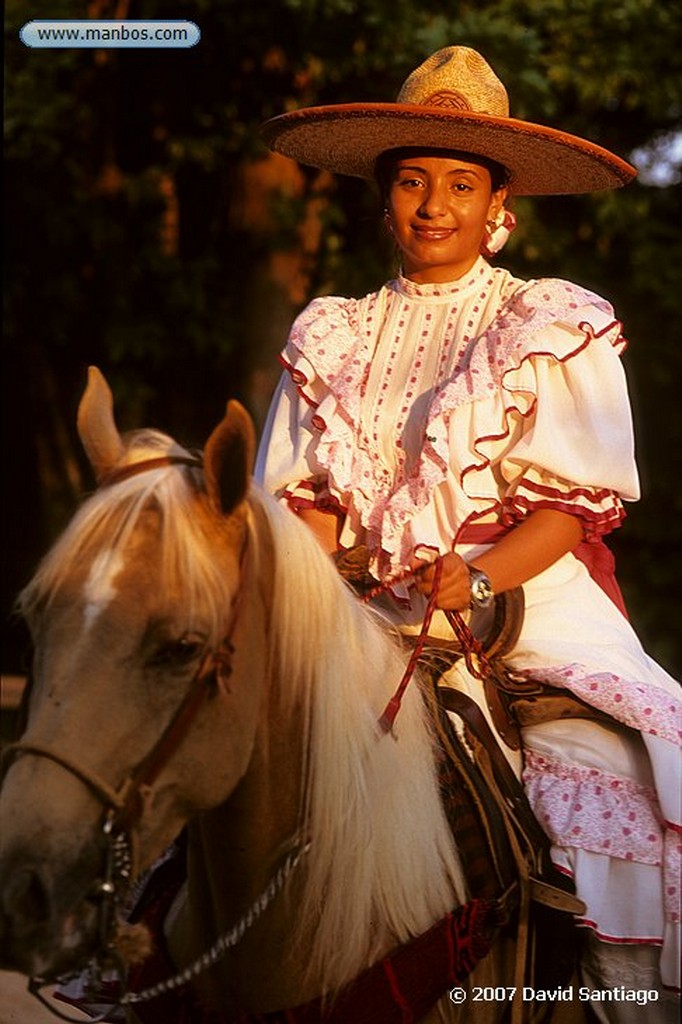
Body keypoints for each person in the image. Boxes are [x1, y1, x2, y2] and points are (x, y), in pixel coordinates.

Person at [255, 46, 681, 1020]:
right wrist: (335, 567)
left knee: (618, 783)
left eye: (458, 182)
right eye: (411, 180)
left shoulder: (547, 321)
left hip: (525, 603)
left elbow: (566, 514)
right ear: (383, 196)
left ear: (498, 203)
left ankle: (603, 997)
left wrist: (477, 581)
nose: (432, 203)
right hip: (355, 614)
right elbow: (302, 503)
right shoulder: (330, 333)